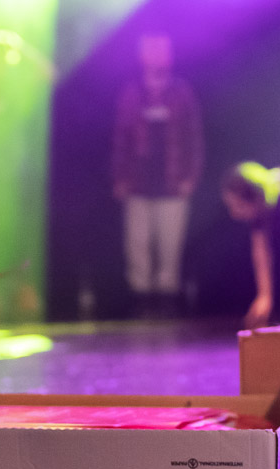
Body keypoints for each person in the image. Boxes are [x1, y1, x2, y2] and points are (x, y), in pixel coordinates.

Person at [111, 32, 203, 316]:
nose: (158, 56)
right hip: (138, 183)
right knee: (137, 245)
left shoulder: (181, 92)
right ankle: (141, 300)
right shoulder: (132, 93)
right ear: (141, 56)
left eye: (163, 50)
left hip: (172, 183)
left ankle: (166, 302)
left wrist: (190, 177)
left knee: (169, 246)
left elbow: (194, 137)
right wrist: (119, 177)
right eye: (152, 50)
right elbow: (121, 138)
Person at [220, 161, 280, 329]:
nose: (234, 214)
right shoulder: (264, 205)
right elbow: (261, 250)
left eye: (239, 206)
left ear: (256, 197)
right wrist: (264, 297)